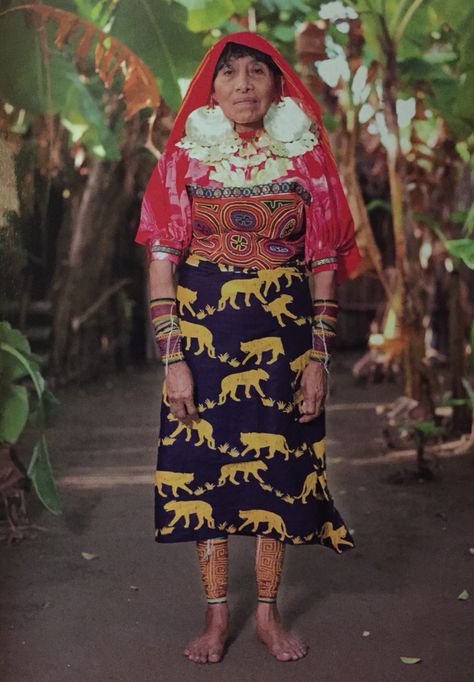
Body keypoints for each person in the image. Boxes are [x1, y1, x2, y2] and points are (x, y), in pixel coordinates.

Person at [135, 32, 361, 664]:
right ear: (211, 88)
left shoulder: (305, 159)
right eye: (229, 74)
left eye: (256, 72)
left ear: (275, 84)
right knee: (203, 476)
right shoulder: (184, 159)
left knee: (279, 475)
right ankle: (214, 619)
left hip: (285, 348)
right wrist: (174, 359)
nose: (242, 85)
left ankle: (266, 614)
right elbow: (161, 264)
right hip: (202, 347)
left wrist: (318, 356)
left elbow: (321, 261)